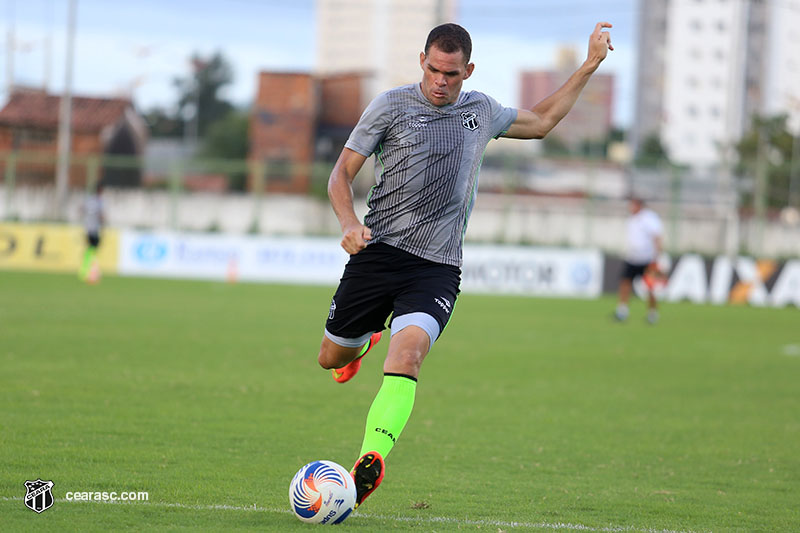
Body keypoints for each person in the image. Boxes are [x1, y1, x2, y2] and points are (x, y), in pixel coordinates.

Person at [317, 21, 614, 509]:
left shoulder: (482, 112)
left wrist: (590, 63)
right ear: (421, 61)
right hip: (377, 254)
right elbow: (341, 174)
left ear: (467, 71)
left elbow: (540, 122)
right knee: (331, 358)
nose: (440, 81)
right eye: (433, 69)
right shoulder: (390, 106)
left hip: (435, 268)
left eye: (451, 74)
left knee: (408, 356)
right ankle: (365, 339)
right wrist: (349, 223)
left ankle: (369, 460)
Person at [614, 196, 664, 324]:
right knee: (625, 283)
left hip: (647, 259)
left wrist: (657, 257)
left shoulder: (649, 218)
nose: (630, 208)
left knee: (650, 287)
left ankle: (653, 313)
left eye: (632, 205)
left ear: (639, 205)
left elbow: (657, 237)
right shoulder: (631, 219)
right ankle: (622, 311)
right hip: (631, 258)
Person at [80, 181, 105, 283]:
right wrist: (102, 221)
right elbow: (101, 215)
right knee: (93, 250)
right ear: (100, 190)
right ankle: (91, 272)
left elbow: (81, 209)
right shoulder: (99, 201)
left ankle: (86, 270)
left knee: (90, 250)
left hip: (88, 228)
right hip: (94, 229)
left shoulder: (89, 200)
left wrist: (87, 218)